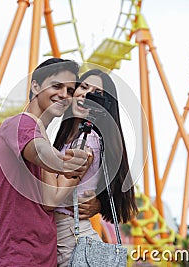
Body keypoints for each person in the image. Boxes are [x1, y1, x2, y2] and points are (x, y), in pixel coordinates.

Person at [0, 58, 100, 267]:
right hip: (16, 257)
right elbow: (39, 152)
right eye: (56, 86)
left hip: (44, 256)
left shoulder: (43, 134)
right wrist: (66, 163)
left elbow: (51, 199)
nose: (64, 94)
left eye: (69, 89)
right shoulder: (19, 124)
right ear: (35, 86)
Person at [42, 69, 138, 266]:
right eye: (83, 87)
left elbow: (51, 198)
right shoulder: (70, 139)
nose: (86, 95)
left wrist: (38, 146)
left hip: (71, 239)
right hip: (65, 237)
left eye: (96, 93)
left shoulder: (87, 142)